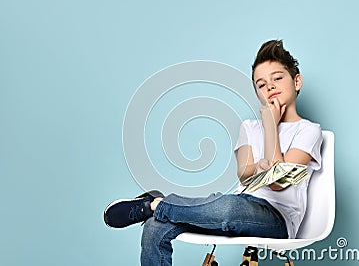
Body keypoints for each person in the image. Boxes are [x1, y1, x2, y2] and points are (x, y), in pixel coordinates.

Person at [104, 40, 323, 266]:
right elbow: (244, 174)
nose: (270, 87)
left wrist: (270, 125)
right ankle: (158, 208)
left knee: (227, 208)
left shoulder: (308, 130)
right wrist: (258, 168)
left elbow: (278, 184)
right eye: (261, 84)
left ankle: (153, 204)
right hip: (240, 203)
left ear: (296, 81)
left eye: (277, 78)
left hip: (278, 219)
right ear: (257, 93)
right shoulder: (248, 127)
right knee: (154, 227)